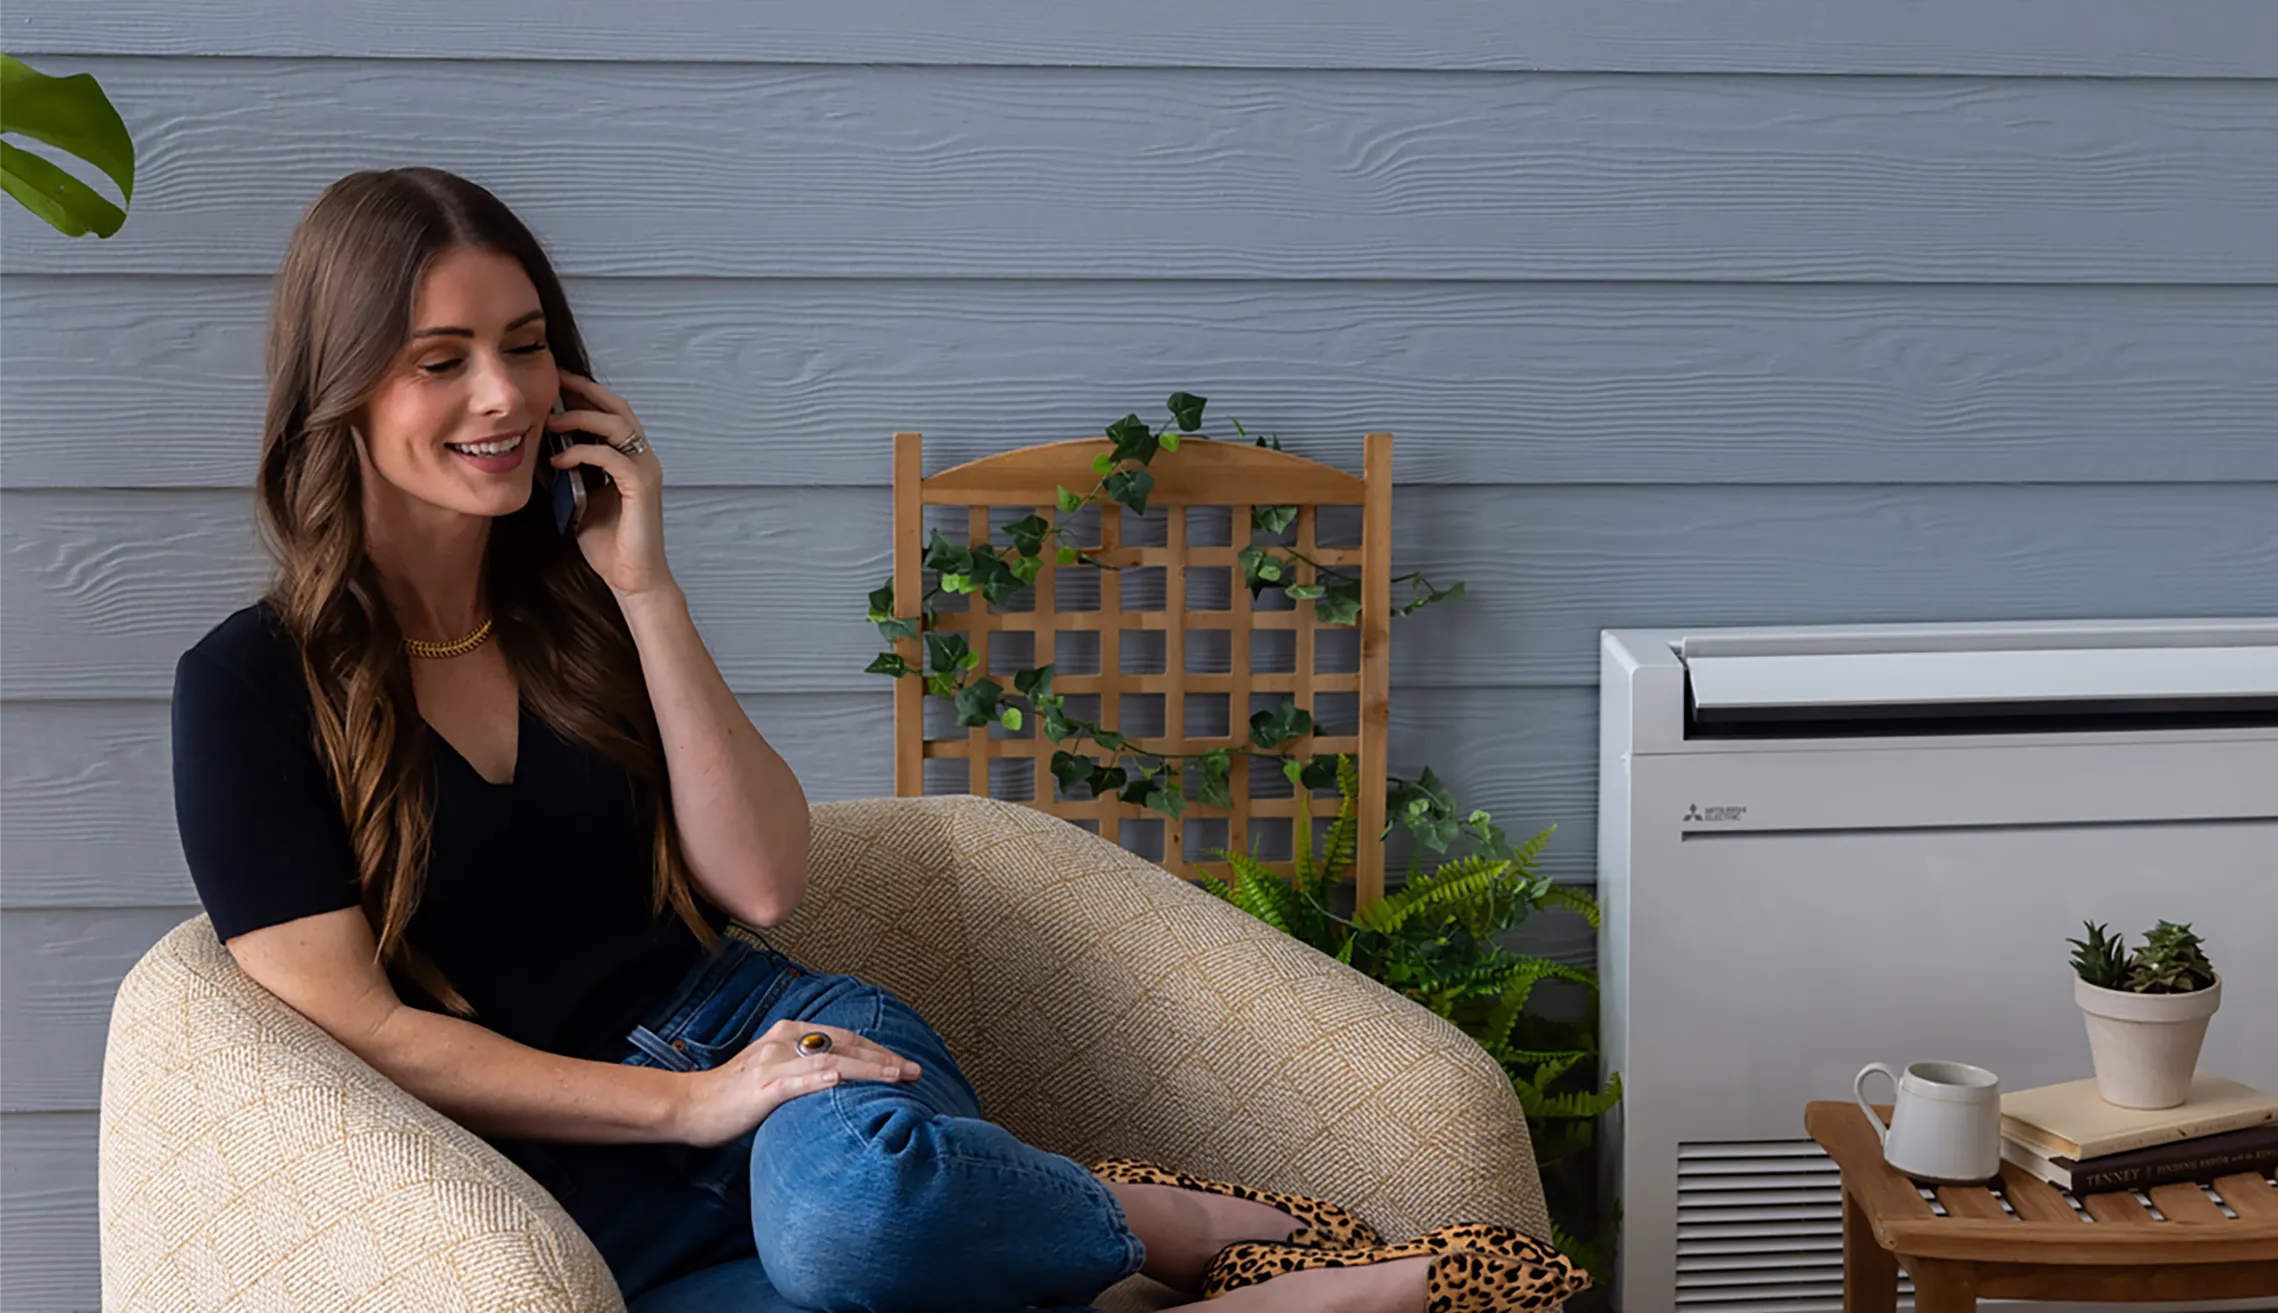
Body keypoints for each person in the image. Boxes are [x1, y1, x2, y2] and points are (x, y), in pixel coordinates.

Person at [168, 167, 1586, 1313]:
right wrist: (680, 1117)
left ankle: (1174, 1223)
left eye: (528, 347)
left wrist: (646, 587)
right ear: (343, 389)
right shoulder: (246, 691)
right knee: (866, 1283)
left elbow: (766, 882)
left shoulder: (584, 610)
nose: (505, 397)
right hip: (582, 1185)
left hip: (785, 1060)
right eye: (443, 361)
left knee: (857, 1220)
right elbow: (363, 1025)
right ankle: (1241, 1283)